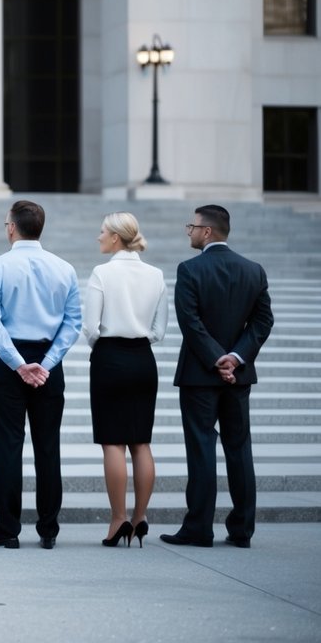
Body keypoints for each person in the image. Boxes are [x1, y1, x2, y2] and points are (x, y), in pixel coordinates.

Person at [162, 205, 273, 549]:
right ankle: (242, 530)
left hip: (199, 375)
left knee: (201, 449)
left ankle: (199, 528)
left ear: (207, 232)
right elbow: (262, 321)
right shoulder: (253, 270)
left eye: (192, 227)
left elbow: (190, 322)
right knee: (239, 450)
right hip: (238, 377)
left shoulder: (190, 269)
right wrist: (236, 358)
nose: (189, 232)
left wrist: (216, 359)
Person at [0, 200, 81, 550]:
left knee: (8, 447)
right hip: (48, 364)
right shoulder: (64, 269)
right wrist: (47, 363)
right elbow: (73, 323)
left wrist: (18, 363)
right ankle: (48, 529)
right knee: (47, 447)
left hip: (11, 365)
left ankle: (7, 527)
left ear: (11, 227)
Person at [82, 212, 167, 548]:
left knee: (113, 441)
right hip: (143, 359)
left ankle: (118, 519)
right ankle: (140, 516)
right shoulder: (156, 274)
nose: (98, 236)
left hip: (110, 359)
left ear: (116, 238)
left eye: (102, 231)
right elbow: (159, 331)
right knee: (141, 442)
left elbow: (90, 327)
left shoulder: (102, 273)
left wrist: (103, 345)